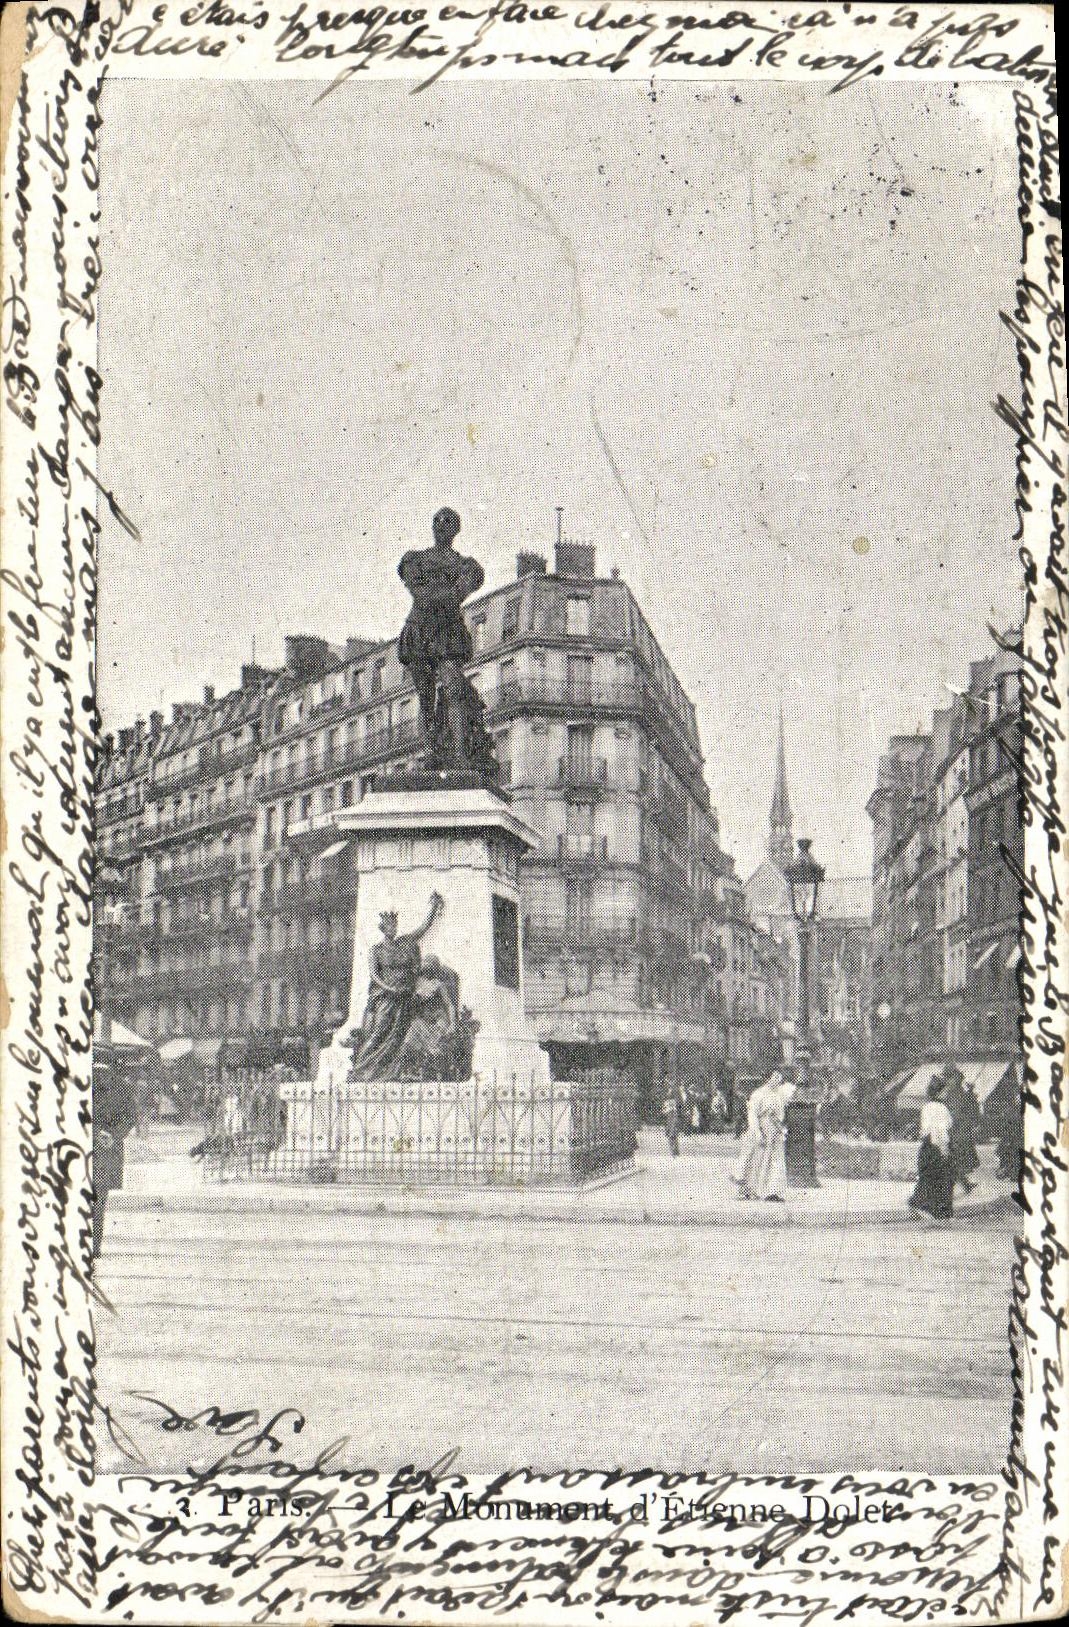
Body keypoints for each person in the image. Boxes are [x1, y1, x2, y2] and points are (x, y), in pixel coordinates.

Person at [398, 508, 488, 767]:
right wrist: (445, 593)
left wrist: (436, 594)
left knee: (453, 689)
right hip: (420, 629)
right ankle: (429, 753)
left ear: (456, 529)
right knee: (425, 697)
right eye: (436, 521)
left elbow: (455, 594)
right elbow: (421, 593)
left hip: (446, 630)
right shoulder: (416, 560)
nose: (441, 525)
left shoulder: (466, 565)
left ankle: (459, 755)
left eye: (447, 522)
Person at [347, 893, 445, 1080]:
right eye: (390, 926)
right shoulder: (376, 950)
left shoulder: (404, 942)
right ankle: (360, 1068)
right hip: (386, 997)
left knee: (398, 1035)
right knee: (379, 1032)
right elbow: (374, 975)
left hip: (404, 997)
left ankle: (389, 1071)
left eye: (395, 925)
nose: (394, 928)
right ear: (383, 928)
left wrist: (433, 908)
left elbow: (422, 929)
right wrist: (389, 989)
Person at [92, 1054, 138, 1260]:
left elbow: (131, 1116)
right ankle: (93, 1246)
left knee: (96, 1199)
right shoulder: (123, 1086)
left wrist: (105, 1134)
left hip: (100, 1150)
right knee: (98, 1200)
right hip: (105, 1150)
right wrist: (111, 1134)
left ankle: (91, 1245)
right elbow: (131, 1117)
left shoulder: (121, 1087)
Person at [733, 1071, 796, 1201]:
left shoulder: (779, 1094)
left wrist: (781, 1128)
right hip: (762, 1128)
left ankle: (772, 1191)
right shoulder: (758, 1094)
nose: (778, 1080)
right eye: (775, 1077)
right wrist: (757, 1132)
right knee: (756, 1160)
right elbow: (753, 1115)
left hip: (775, 1130)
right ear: (767, 1078)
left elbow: (789, 1097)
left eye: (779, 1077)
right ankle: (749, 1189)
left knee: (776, 1160)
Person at [908, 1080, 954, 1222]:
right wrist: (944, 1148)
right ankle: (939, 1211)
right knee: (943, 1179)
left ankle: (917, 1203)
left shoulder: (926, 1107)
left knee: (927, 1176)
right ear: (939, 1092)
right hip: (937, 1145)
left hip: (926, 1146)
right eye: (944, 1091)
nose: (946, 1094)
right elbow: (940, 1131)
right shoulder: (941, 1108)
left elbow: (925, 1129)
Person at [941, 1066, 982, 1193]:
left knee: (956, 1161)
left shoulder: (957, 1093)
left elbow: (963, 1111)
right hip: (957, 1132)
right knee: (956, 1161)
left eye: (950, 1078)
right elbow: (954, 1113)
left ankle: (961, 1186)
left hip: (959, 1131)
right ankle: (961, 1186)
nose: (948, 1081)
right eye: (948, 1078)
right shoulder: (953, 1093)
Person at [663, 1089, 682, 1157]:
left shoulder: (667, 1103)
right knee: (674, 1136)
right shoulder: (676, 1102)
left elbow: (664, 1112)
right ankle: (676, 1151)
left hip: (670, 1121)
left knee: (671, 1136)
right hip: (673, 1121)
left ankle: (673, 1152)